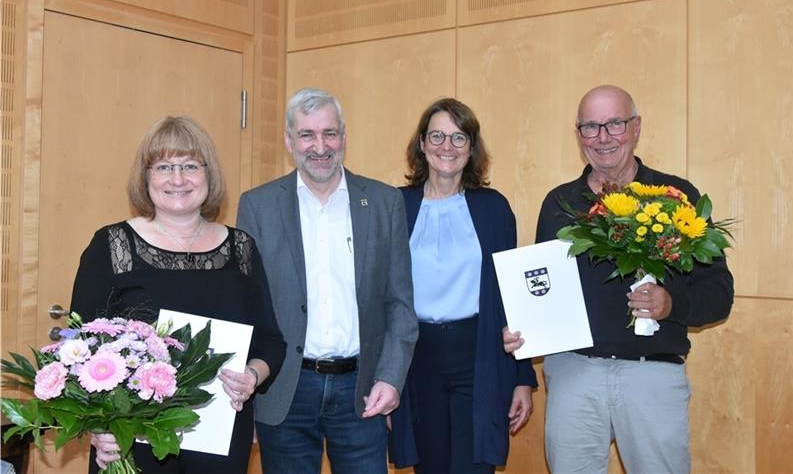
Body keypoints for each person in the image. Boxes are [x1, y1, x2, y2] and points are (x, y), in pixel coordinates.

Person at [505, 85, 734, 473]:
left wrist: (671, 304)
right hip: (574, 372)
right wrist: (525, 330)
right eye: (591, 127)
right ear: (579, 136)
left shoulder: (677, 197)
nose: (603, 137)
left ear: (636, 127)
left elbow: (719, 294)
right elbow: (541, 290)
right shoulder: (559, 204)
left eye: (614, 123)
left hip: (653, 373)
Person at [70, 116, 286, 473]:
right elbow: (80, 351)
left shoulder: (241, 248)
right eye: (164, 166)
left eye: (189, 166)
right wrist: (99, 428)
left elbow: (271, 341)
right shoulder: (111, 245)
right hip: (130, 438)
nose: (177, 179)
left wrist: (252, 376)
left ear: (208, 174)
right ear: (146, 177)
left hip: (220, 434)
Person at [236, 87, 418, 474]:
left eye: (329, 133)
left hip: (361, 389)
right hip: (284, 389)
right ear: (289, 140)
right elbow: (247, 307)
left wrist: (391, 378)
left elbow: (400, 303)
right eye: (307, 135)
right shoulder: (257, 206)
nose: (320, 146)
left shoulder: (384, 203)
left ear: (344, 137)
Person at [389, 98, 537, 474]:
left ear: (472, 148)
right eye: (437, 135)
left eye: (459, 138)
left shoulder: (494, 208)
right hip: (415, 357)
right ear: (421, 143)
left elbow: (510, 298)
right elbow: (379, 296)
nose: (446, 147)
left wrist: (523, 379)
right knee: (431, 467)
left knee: (474, 467)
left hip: (480, 355)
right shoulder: (395, 206)